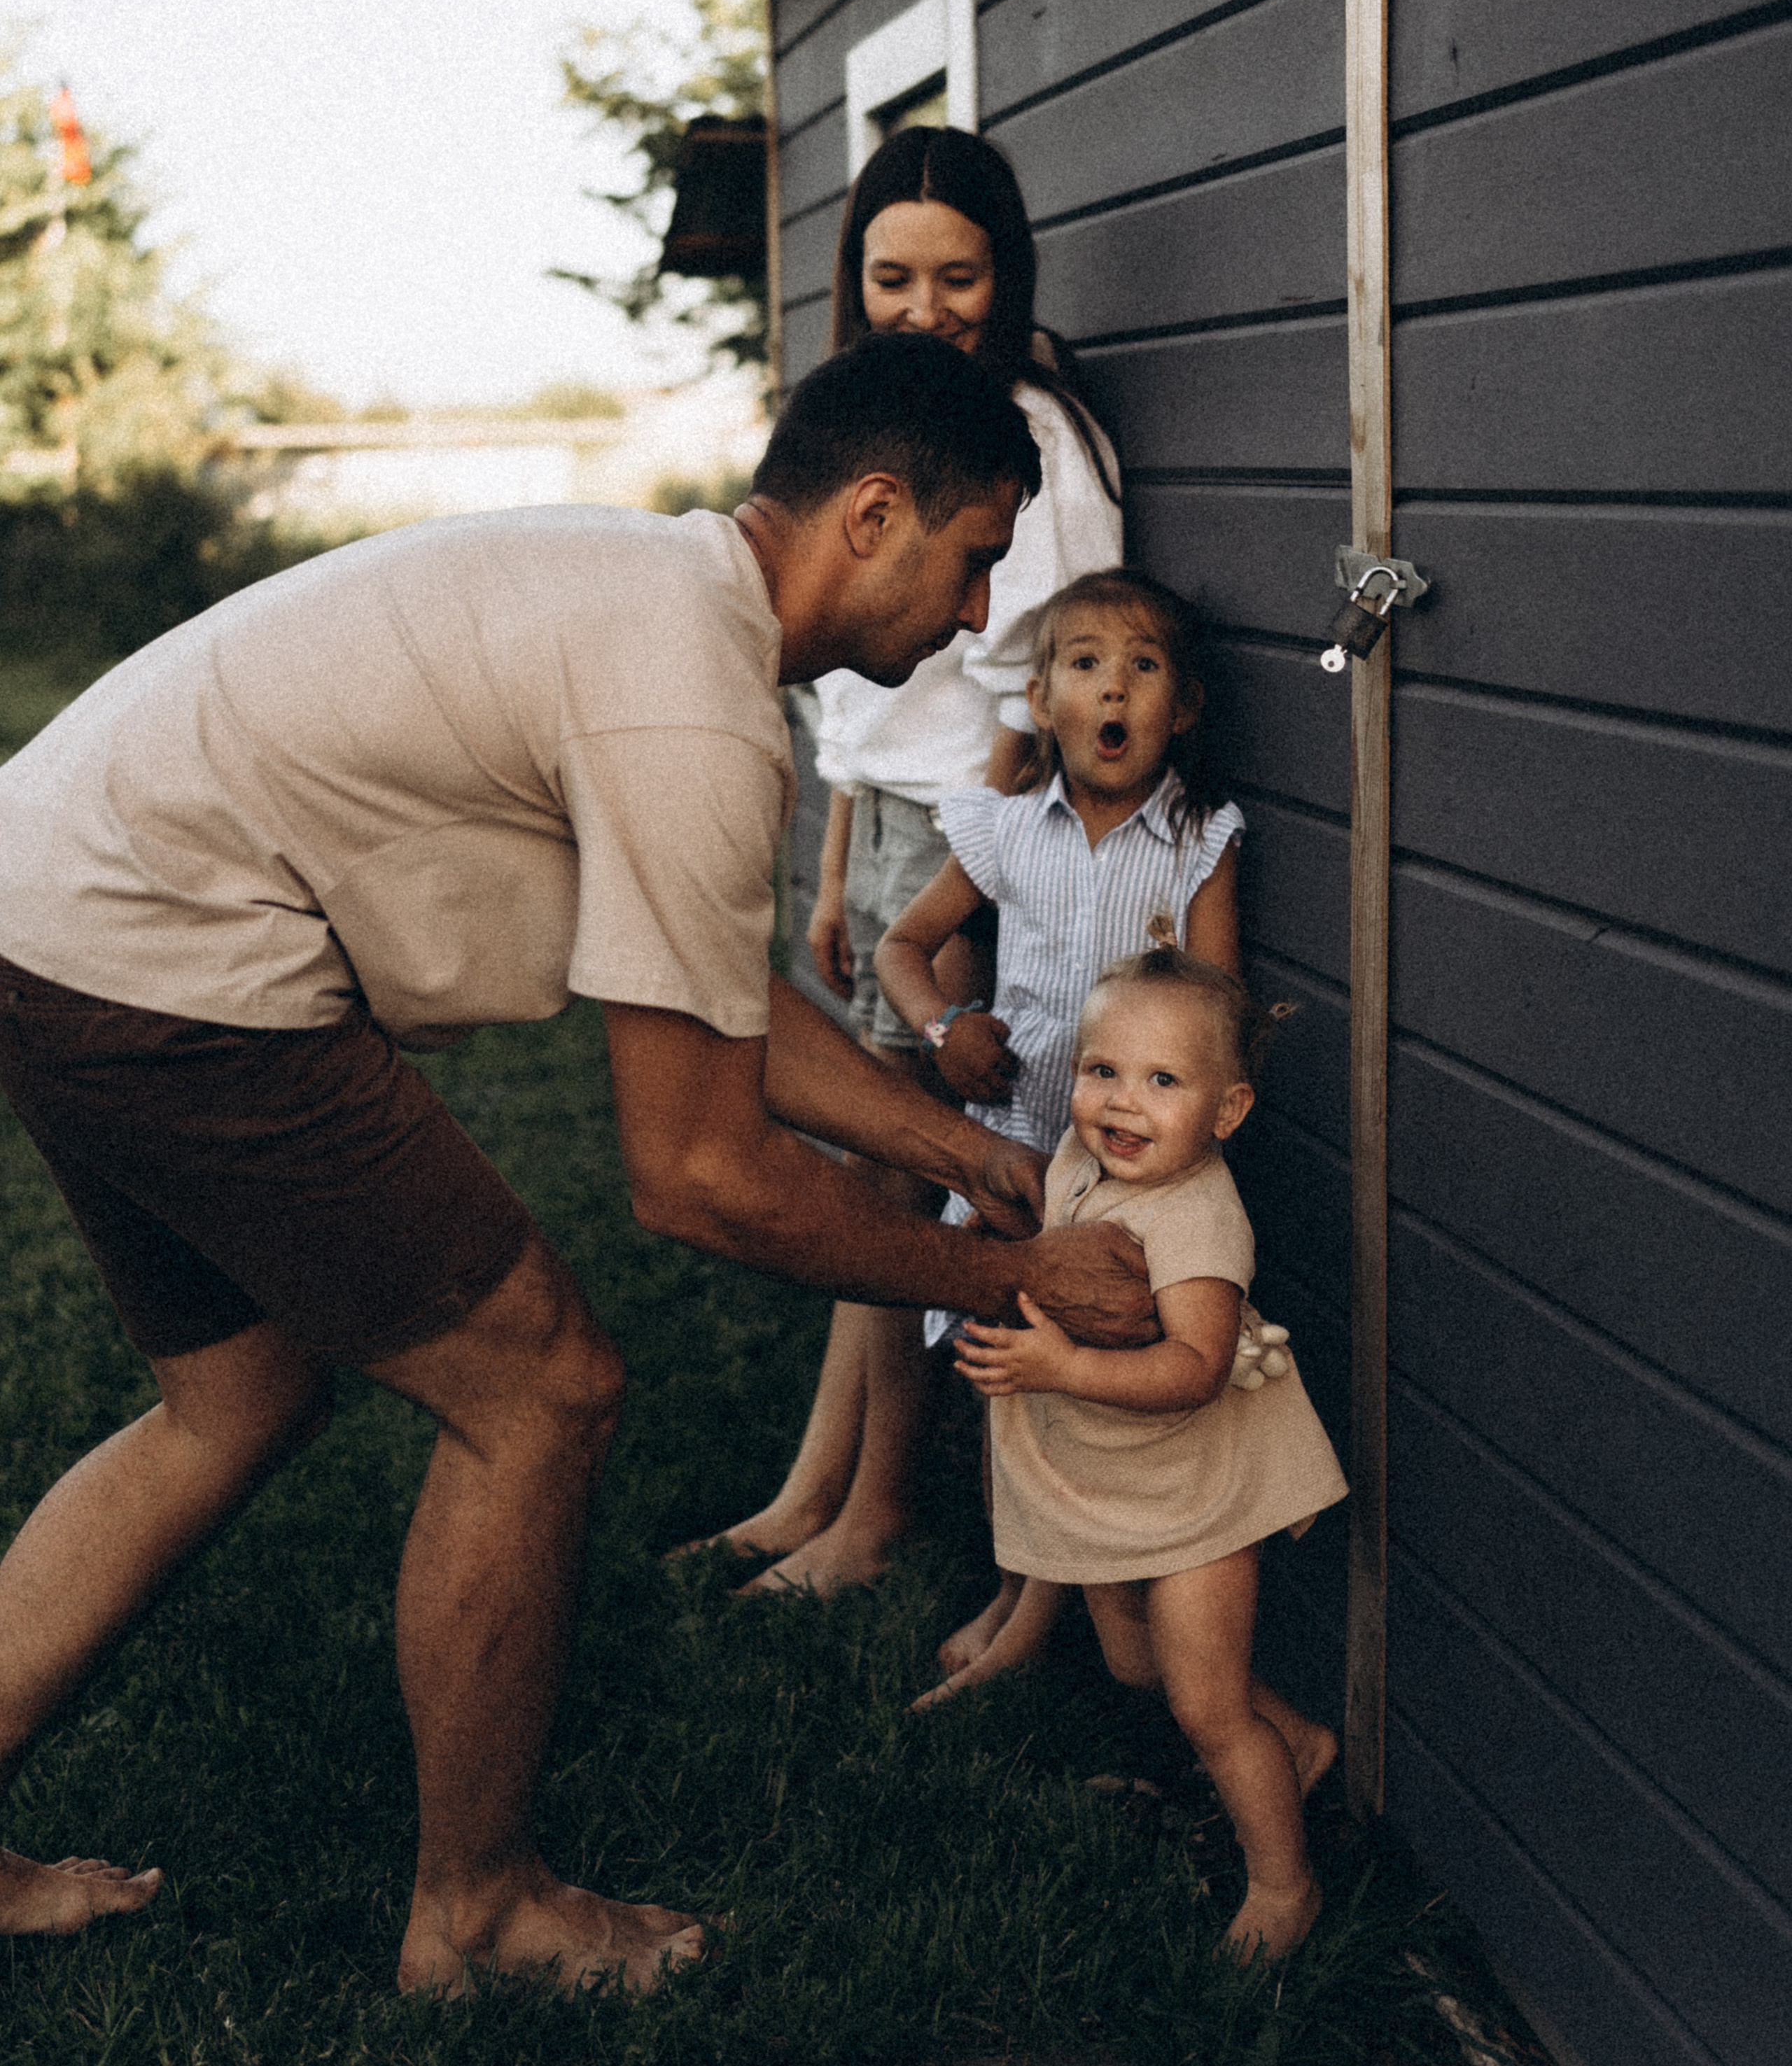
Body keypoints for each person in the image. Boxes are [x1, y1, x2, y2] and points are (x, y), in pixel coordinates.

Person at [0, 332, 1158, 1993]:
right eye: (973, 559)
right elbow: (697, 1172)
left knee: (236, 1396)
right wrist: (1011, 1278)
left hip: (49, 912)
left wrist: (951, 1146)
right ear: (872, 515)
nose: (979, 614)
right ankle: (476, 1914)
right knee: (539, 1387)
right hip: (163, 956)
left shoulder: (659, 605)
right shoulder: (688, 692)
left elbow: (711, 986)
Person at [684, 126, 1124, 1600]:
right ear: (851, 280)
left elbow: (1035, 695)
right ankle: (812, 1489)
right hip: (876, 823)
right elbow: (851, 699)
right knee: (865, 1167)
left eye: (958, 277)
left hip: (962, 841)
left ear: (1008, 277)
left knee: (892, 1183)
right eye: (892, 278)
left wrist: (952, 895)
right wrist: (828, 876)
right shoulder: (870, 427)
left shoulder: (1023, 443)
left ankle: (873, 1517)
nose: (925, 308)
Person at [875, 568, 1248, 1705]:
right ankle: (1016, 1589)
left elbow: (1218, 1010)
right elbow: (902, 947)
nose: (1113, 688)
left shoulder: (1196, 841)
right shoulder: (1006, 831)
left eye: (1143, 666)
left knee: (1075, 1392)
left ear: (1182, 707)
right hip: (1014, 1146)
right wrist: (945, 1029)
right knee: (1007, 1384)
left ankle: (1032, 1621)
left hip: (1126, 1170)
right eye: (1085, 664)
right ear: (1041, 700)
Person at [953, 941, 1348, 1965]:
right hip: (1122, 1482)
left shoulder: (1199, 1219)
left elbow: (1196, 1367)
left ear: (1227, 1110)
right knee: (1136, 1659)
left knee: (1207, 1706)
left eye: (1164, 1081)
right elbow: (1061, 1229)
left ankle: (1284, 1883)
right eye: (1103, 1070)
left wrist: (1063, 1366)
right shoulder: (1082, 1159)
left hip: (1198, 1493)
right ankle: (1299, 1742)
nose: (1124, 1103)